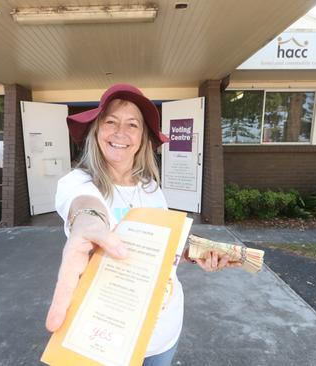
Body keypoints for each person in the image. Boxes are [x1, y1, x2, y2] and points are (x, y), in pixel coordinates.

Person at [45, 83, 238, 366]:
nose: (120, 132)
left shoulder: (150, 188)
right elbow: (85, 208)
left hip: (163, 332)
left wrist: (198, 253)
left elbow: (162, 249)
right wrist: (89, 223)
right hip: (108, 335)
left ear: (143, 137)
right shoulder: (76, 183)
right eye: (110, 121)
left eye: (132, 124)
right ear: (96, 130)